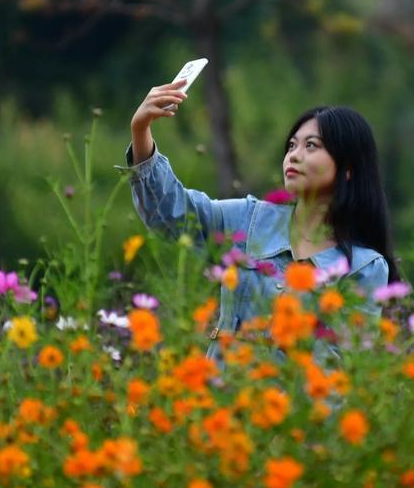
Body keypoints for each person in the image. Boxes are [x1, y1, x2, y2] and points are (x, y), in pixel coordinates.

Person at [116, 77, 399, 370]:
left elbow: (339, 367)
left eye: (311, 146)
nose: (294, 156)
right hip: (218, 403)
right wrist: (141, 131)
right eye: (292, 145)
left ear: (348, 169)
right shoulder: (248, 220)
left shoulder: (364, 267)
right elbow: (170, 214)